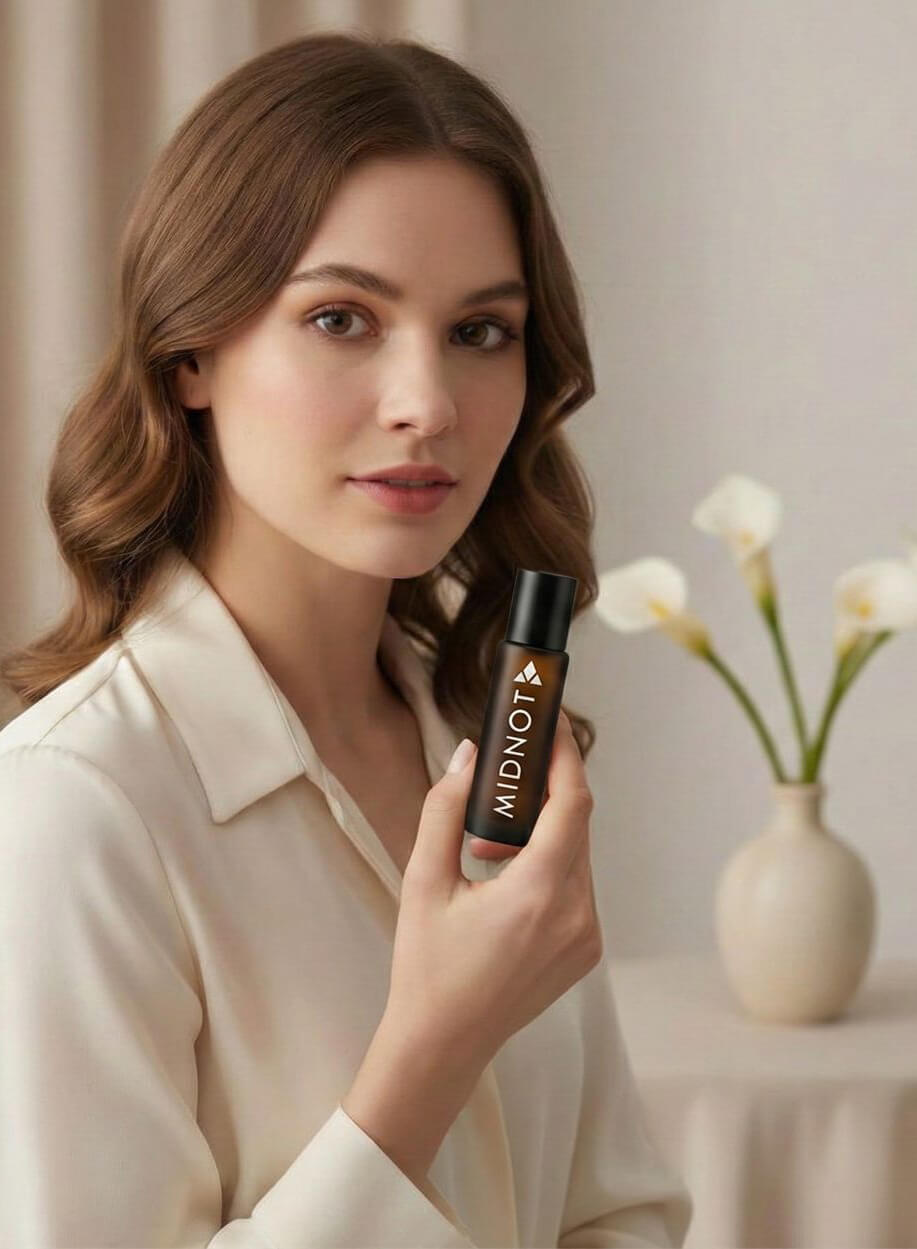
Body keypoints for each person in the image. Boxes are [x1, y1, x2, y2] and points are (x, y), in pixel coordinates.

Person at [0, 30, 693, 1248]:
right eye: (341, 318)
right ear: (190, 354)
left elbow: (616, 1209)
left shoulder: (485, 746)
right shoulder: (78, 808)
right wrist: (431, 1050)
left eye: (480, 331)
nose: (426, 403)